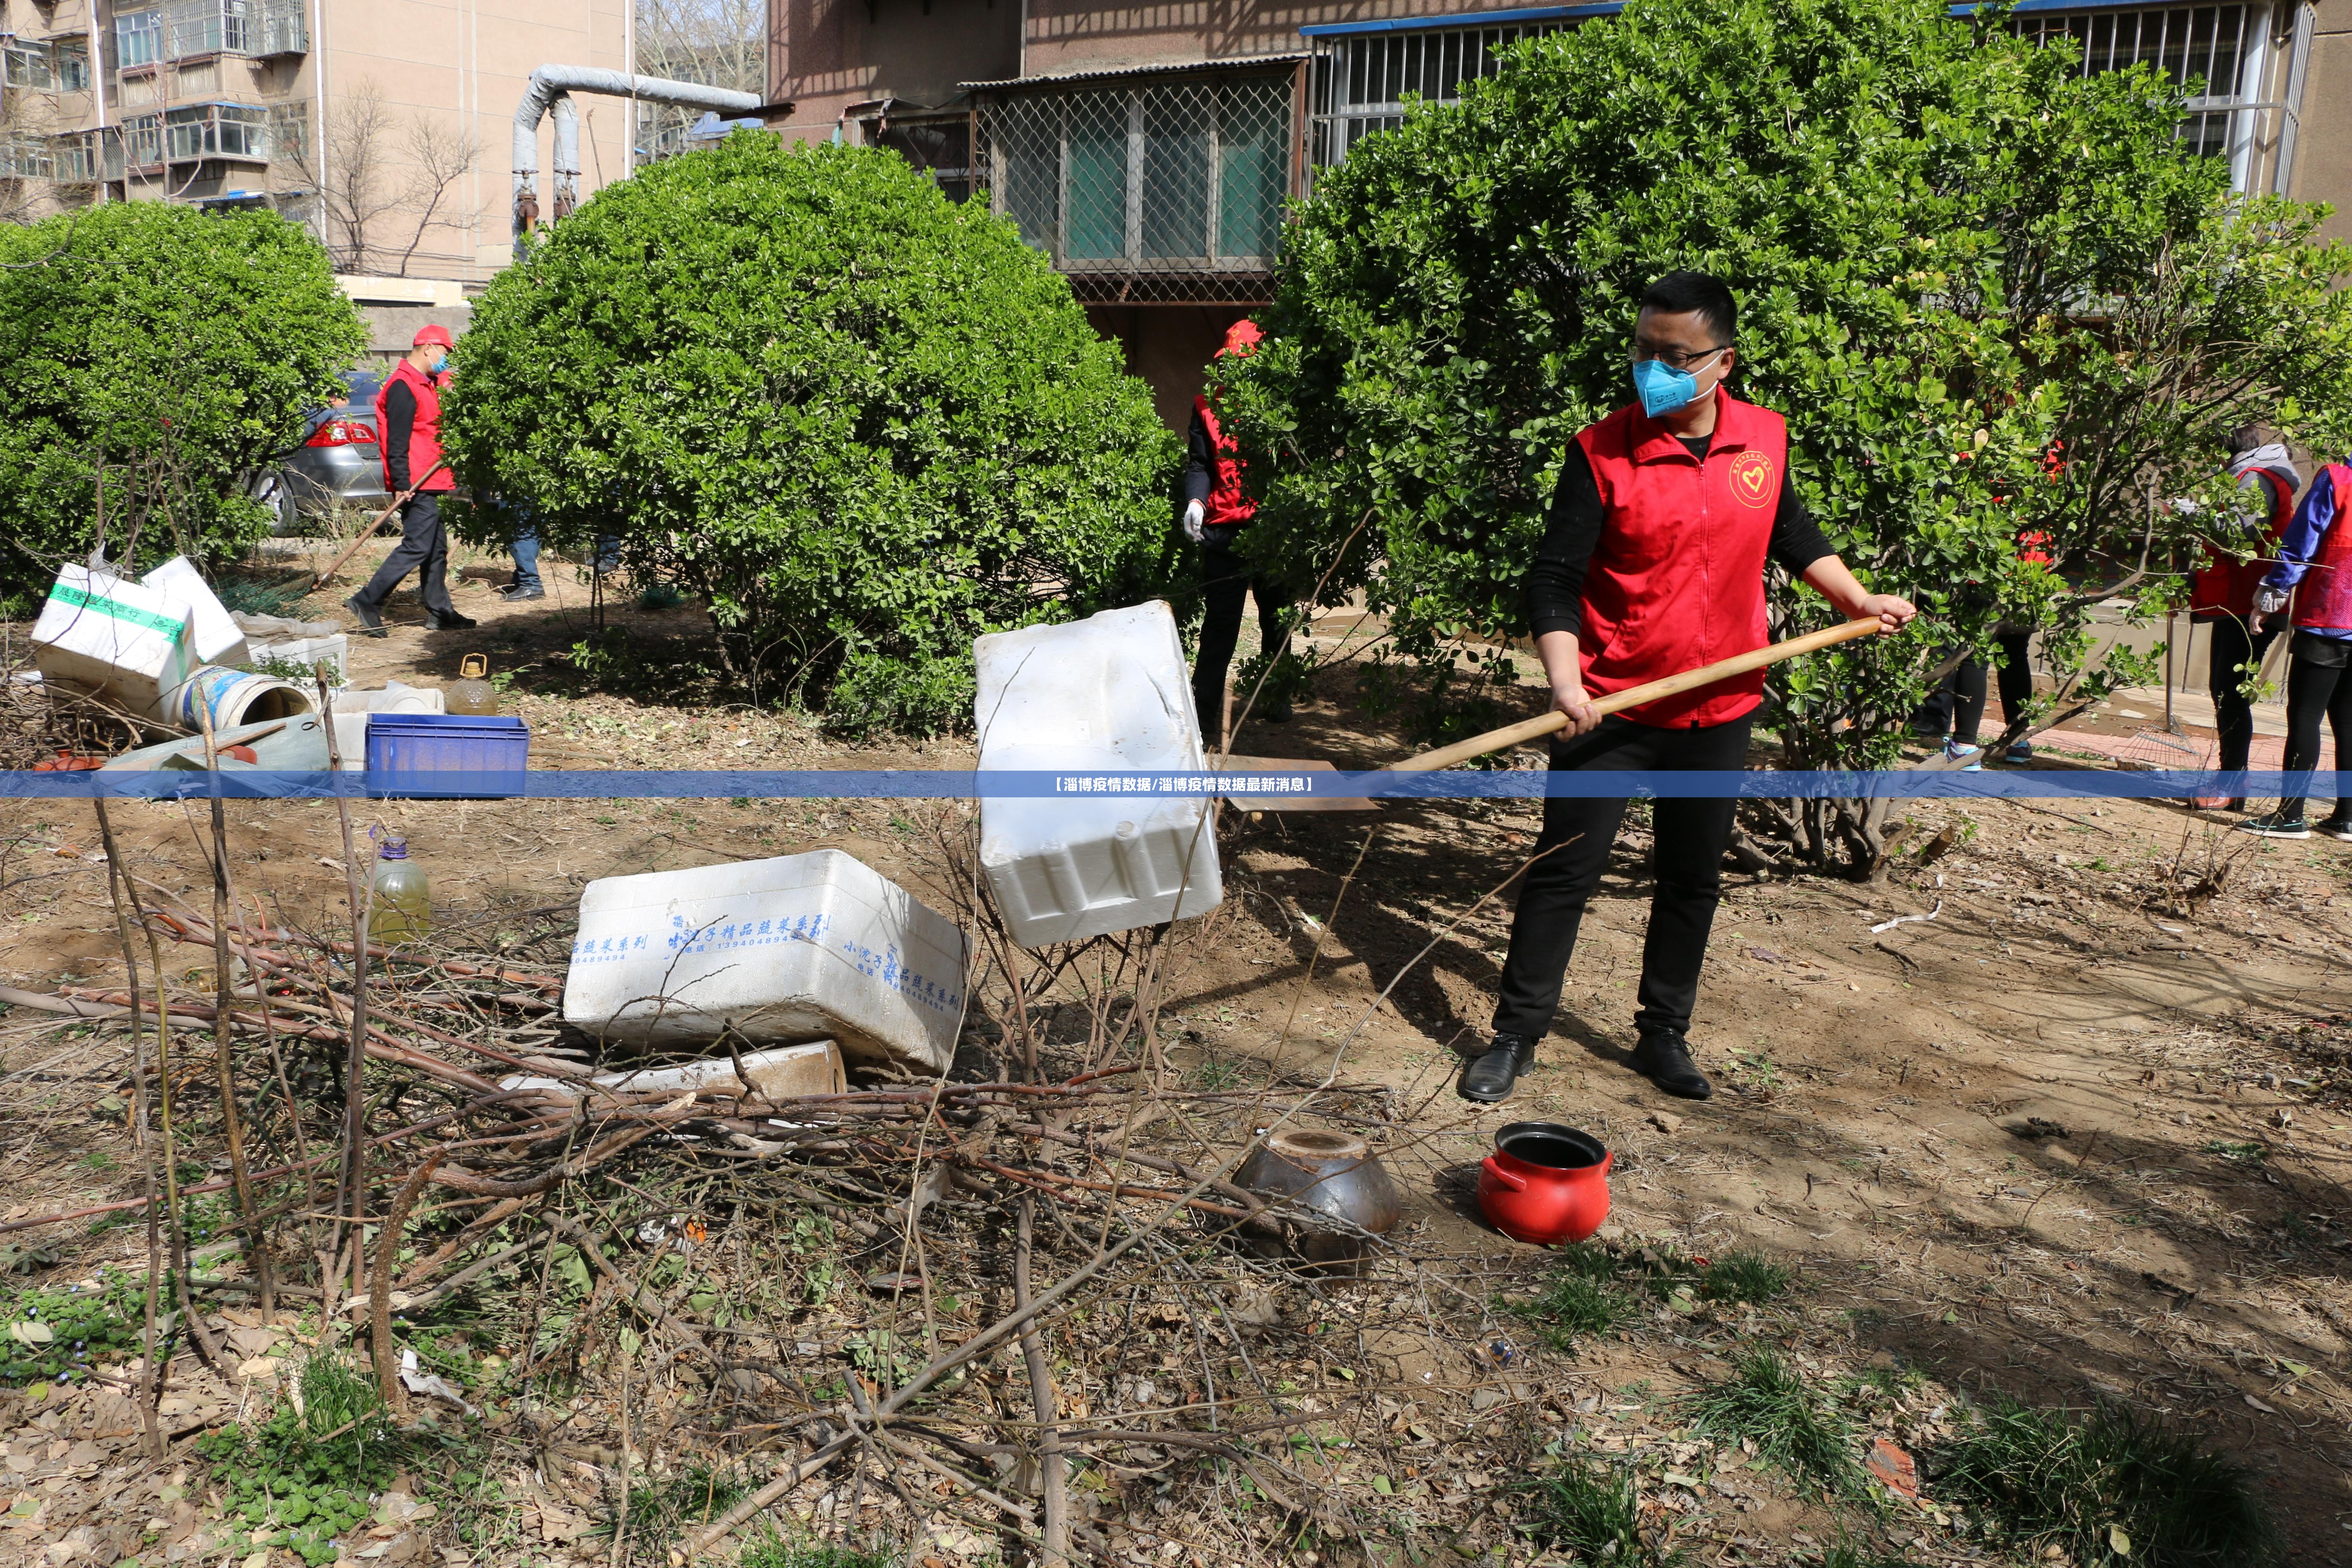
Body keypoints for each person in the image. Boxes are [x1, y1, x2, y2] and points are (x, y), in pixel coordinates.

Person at [1459, 273, 1916, 1105]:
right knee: (1565, 873)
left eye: (1674, 356)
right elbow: (1554, 579)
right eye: (1644, 352)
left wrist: (1855, 599)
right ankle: (1516, 1035)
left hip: (1720, 703)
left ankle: (1663, 1035)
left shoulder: (1765, 439)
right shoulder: (1600, 450)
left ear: (1722, 362)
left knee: (1690, 877)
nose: (1653, 369)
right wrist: (1566, 682)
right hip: (1612, 704)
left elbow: (1791, 531)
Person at [1184, 319, 1292, 741]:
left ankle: (1276, 697)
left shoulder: (1282, 407)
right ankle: (1203, 716)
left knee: (1277, 619)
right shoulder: (1207, 406)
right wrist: (1196, 501)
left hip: (1270, 530)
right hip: (1222, 534)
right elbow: (1200, 465)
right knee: (1220, 626)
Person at [2182, 429, 2303, 811]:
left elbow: (2237, 530)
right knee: (2226, 692)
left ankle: (2232, 784)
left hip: (2253, 604)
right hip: (2239, 600)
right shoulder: (2258, 474)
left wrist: (2187, 512)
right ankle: (2231, 781)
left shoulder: (2258, 477)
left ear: (2231, 453)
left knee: (2230, 694)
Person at [2242, 453, 2351, 840]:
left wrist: (2269, 595)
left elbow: (2302, 541)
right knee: (2348, 720)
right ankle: (2347, 817)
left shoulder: (2337, 479)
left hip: (2328, 616)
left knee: (2305, 715)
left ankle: (2291, 816)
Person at [347, 325, 475, 635]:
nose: (446, 361)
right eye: (444, 354)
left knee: (436, 547)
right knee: (418, 545)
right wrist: (402, 482)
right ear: (428, 348)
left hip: (430, 477)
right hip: (416, 481)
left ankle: (440, 611)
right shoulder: (403, 386)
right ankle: (368, 600)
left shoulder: (426, 382)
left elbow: (447, 387)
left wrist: (448, 381)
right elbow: (397, 440)